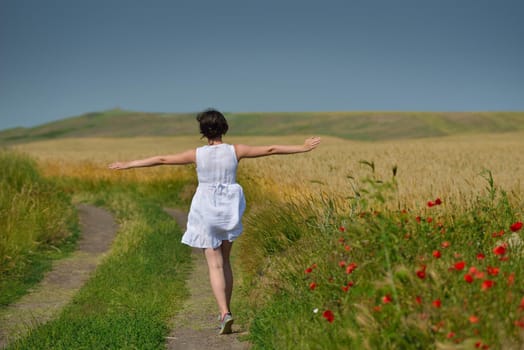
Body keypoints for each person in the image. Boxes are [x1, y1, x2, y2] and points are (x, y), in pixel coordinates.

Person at [109, 109, 321, 335]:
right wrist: (303, 147)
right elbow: (271, 149)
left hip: (206, 208)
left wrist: (128, 164)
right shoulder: (235, 151)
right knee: (226, 262)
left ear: (203, 132)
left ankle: (224, 312)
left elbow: (161, 160)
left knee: (214, 264)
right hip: (229, 208)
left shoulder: (197, 154)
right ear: (224, 128)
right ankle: (226, 310)